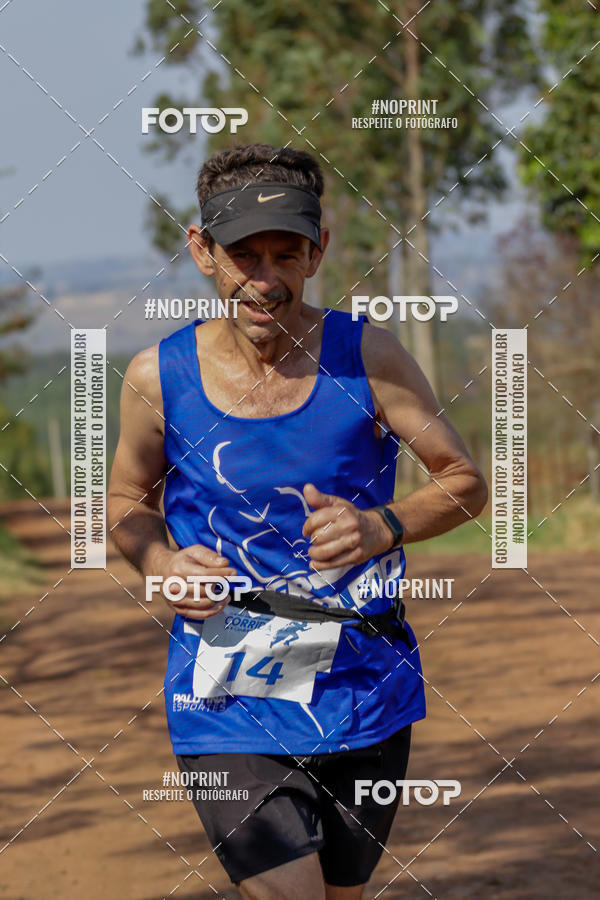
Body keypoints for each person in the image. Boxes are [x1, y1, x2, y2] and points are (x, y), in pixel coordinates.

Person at [107, 142, 487, 900]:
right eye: (243, 255)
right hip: (226, 692)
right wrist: (160, 563)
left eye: (288, 254)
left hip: (364, 684)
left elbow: (466, 479)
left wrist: (382, 525)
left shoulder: (367, 355)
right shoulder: (159, 376)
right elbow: (123, 502)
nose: (266, 279)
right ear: (202, 250)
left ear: (318, 252)